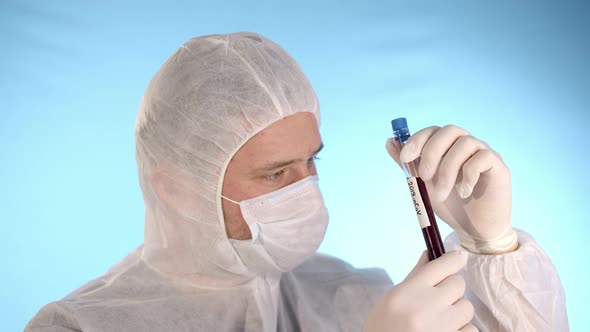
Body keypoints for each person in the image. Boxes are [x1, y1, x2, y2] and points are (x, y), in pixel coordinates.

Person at [25, 32, 568, 332]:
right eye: (275, 173)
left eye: (311, 162)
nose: (305, 190)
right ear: (173, 186)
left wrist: (491, 245)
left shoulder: (346, 296)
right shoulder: (77, 328)